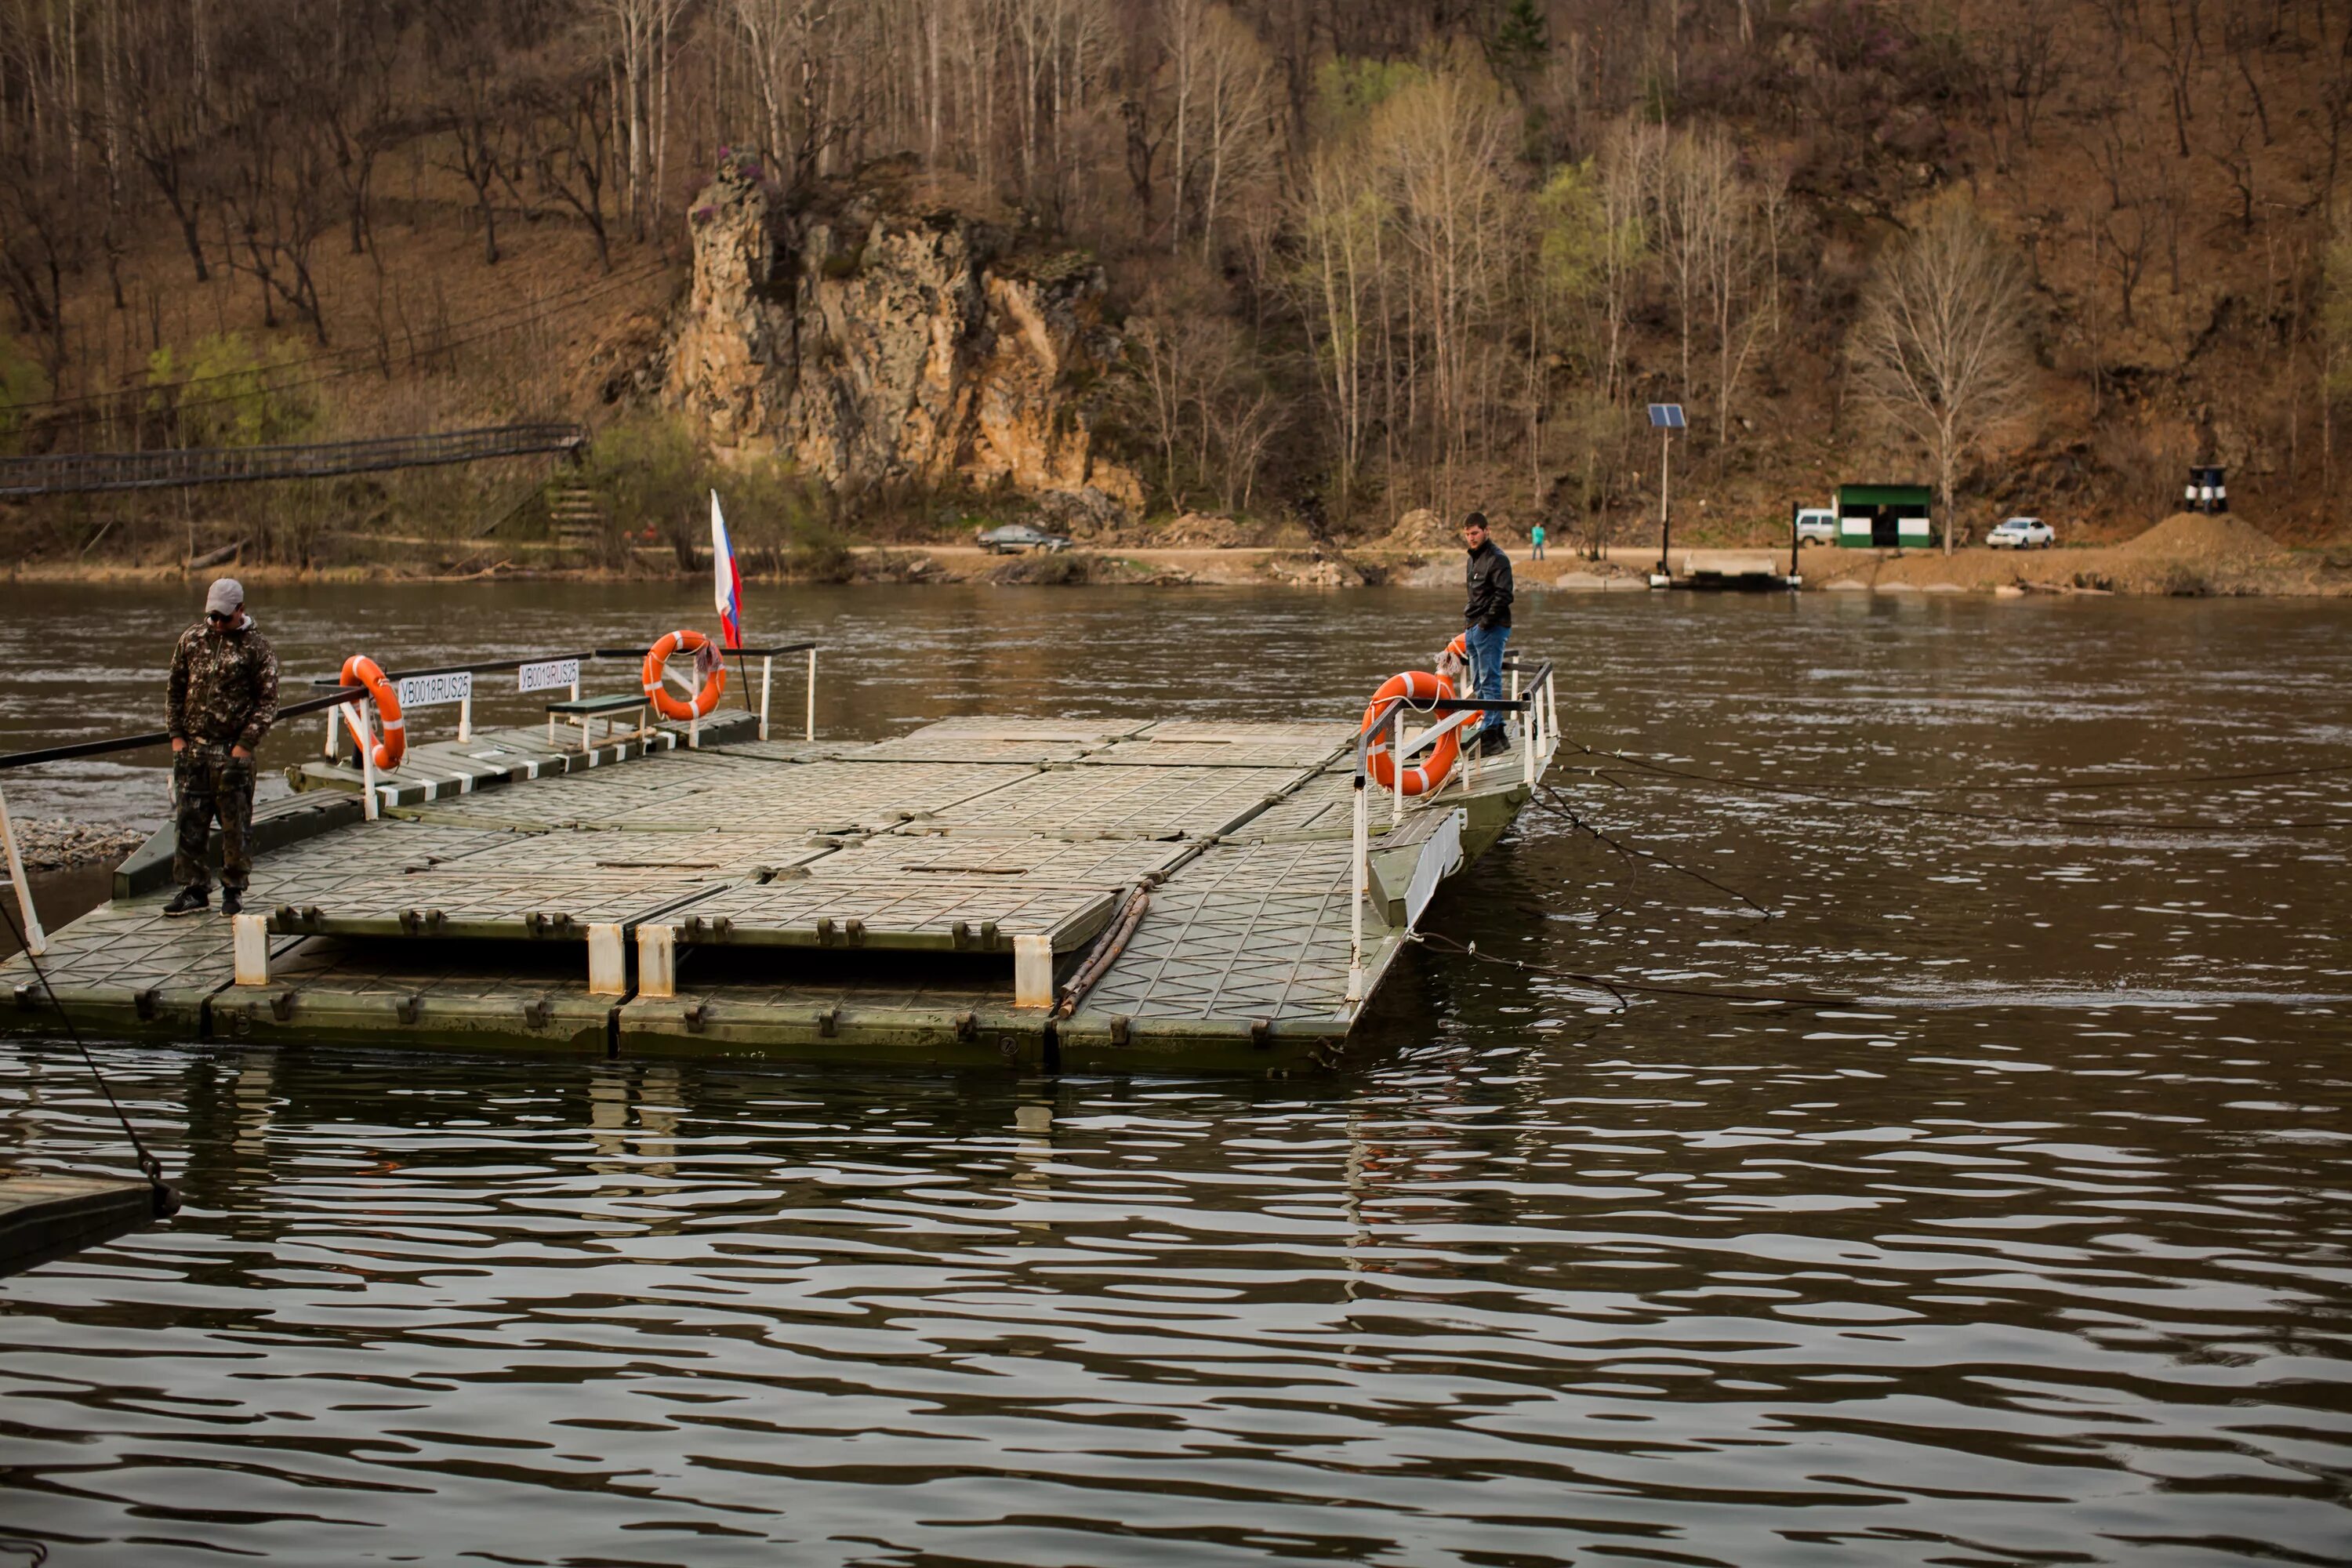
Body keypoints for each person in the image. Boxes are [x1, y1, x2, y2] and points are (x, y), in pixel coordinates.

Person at [162, 579, 278, 917]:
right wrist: (177, 738)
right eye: (211, 616)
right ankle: (193, 889)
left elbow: (268, 703)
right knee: (188, 821)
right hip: (192, 750)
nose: (216, 624)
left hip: (232, 752)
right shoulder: (191, 640)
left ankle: (233, 889)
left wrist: (243, 747)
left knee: (235, 825)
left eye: (223, 618)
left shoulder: (258, 648)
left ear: (240, 610)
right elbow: (174, 690)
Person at [1461, 512, 1513, 756]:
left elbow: (1505, 596)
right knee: (1480, 682)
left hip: (1491, 628)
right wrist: (1472, 627)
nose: (1471, 538)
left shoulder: (1497, 559)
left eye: (1475, 533)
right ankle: (1499, 733)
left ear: (1486, 531)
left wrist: (1484, 625)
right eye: (1468, 534)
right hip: (1473, 627)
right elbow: (1475, 595)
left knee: (1490, 680)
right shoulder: (1473, 559)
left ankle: (1491, 735)